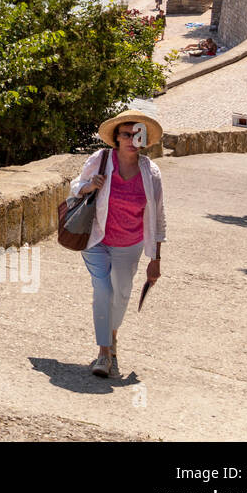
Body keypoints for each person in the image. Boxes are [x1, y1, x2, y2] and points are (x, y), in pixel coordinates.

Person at [69, 110, 166, 378]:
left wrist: (155, 259)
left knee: (121, 294)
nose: (131, 138)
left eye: (137, 134)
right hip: (96, 239)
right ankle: (103, 353)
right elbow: (75, 185)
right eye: (126, 133)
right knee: (103, 290)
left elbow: (157, 216)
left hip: (129, 244)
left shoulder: (150, 171)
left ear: (143, 140)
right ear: (116, 137)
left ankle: (111, 336)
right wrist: (89, 185)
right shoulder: (100, 160)